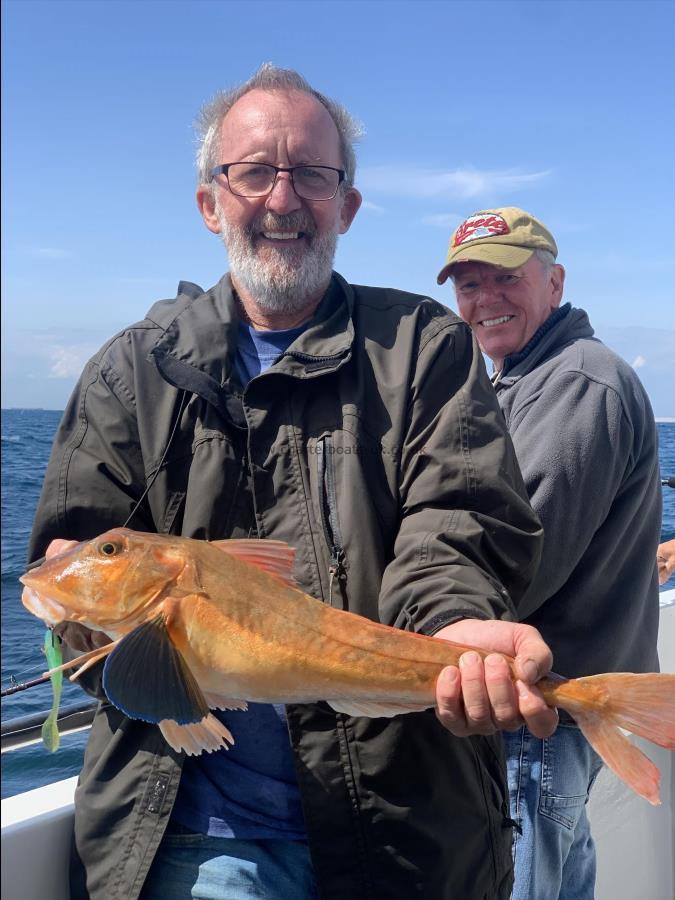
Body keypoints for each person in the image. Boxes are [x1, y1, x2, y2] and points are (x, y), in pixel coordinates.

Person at [29, 70, 557, 900]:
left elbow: (455, 518)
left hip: (404, 825)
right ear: (211, 202)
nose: (284, 198)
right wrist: (92, 627)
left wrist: (453, 627)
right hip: (195, 837)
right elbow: (74, 570)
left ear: (346, 206)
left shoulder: (422, 346)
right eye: (254, 171)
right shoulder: (131, 370)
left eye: (313, 174)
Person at [437, 207, 662, 900]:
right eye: (467, 284)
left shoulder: (574, 381)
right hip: (559, 715)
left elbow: (514, 564)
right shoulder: (522, 377)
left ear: (554, 281)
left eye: (503, 277)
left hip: (538, 716)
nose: (483, 300)